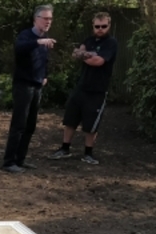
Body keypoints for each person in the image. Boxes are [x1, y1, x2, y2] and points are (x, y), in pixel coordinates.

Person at [48, 12, 118, 165]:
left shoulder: (111, 43)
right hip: (81, 86)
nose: (100, 29)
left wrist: (83, 54)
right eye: (97, 26)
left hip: (98, 90)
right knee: (70, 119)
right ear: (93, 26)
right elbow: (76, 53)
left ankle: (88, 153)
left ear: (109, 26)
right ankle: (64, 148)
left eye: (103, 26)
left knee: (91, 124)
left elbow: (98, 61)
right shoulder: (89, 40)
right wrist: (86, 54)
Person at [1, 5, 56, 174]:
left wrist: (45, 75)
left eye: (50, 19)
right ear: (35, 19)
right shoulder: (26, 36)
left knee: (30, 125)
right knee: (19, 123)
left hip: (37, 85)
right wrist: (38, 42)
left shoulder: (44, 38)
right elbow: (19, 48)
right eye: (45, 18)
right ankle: (9, 161)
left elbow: (44, 60)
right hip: (23, 85)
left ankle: (20, 159)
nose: (48, 22)